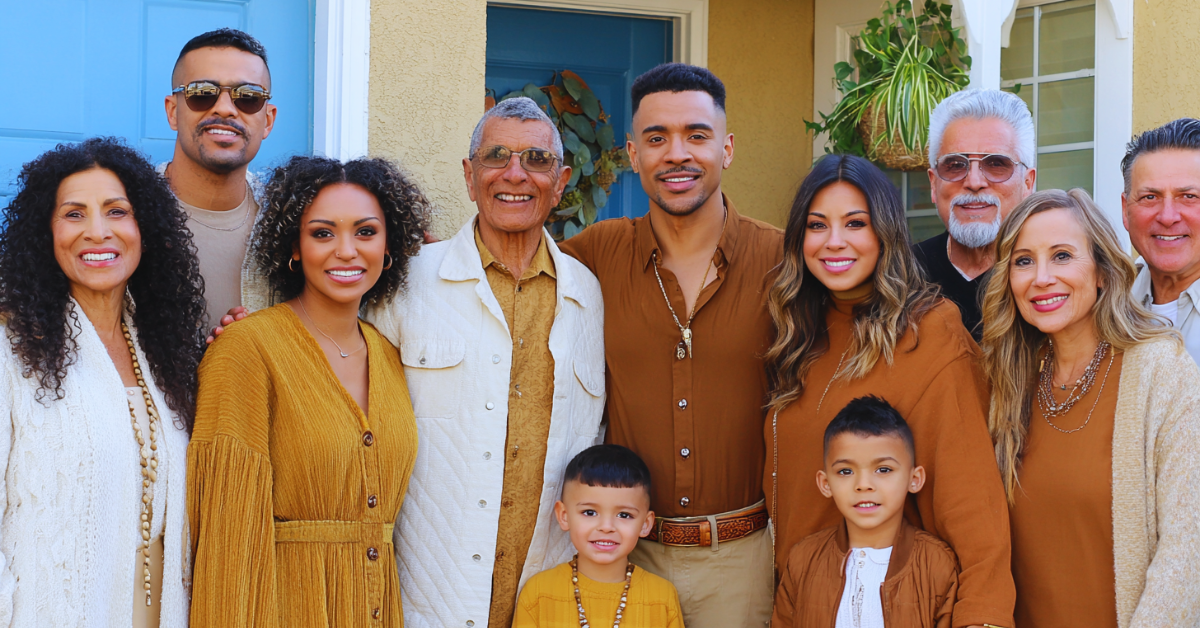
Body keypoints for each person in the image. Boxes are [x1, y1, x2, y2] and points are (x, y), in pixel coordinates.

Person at [365, 97, 605, 628]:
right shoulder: (406, 281)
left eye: (536, 160)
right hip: (424, 601)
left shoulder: (589, 294)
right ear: (470, 175)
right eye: (496, 156)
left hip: (548, 601)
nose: (515, 174)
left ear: (561, 180)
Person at [558, 62, 781, 628]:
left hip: (741, 559)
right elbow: (511, 272)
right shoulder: (595, 255)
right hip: (624, 557)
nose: (676, 153)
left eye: (696, 135)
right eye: (657, 138)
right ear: (633, 154)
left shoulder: (783, 261)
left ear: (726, 149)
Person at [765, 154, 1014, 628]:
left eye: (855, 223)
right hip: (804, 601)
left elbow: (974, 512)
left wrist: (984, 618)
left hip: (897, 604)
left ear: (886, 233)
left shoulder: (929, 332)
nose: (834, 241)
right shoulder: (797, 335)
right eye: (817, 225)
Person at [187, 156, 428, 626]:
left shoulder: (390, 357)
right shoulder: (246, 348)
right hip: (285, 608)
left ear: (389, 247)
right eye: (322, 233)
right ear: (293, 248)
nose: (346, 250)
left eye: (365, 232)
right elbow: (226, 538)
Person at [0, 137, 206, 626]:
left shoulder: (166, 353)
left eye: (117, 212)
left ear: (144, 228)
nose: (97, 232)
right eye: (73, 214)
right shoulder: (11, 351)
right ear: (44, 233)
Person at [981, 188, 1200, 628]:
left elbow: (1187, 550)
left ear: (1101, 270)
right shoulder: (1008, 382)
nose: (1041, 277)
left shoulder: (1161, 369)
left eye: (1062, 256)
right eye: (1023, 261)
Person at [772, 396, 958, 628]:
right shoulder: (803, 560)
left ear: (914, 479)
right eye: (845, 471)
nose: (863, 484)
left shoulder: (936, 564)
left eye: (883, 469)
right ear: (825, 483)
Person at [162, 28, 276, 327]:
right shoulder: (119, 212)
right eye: (202, 93)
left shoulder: (293, 219)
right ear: (173, 112)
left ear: (268, 120)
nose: (225, 109)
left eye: (248, 97)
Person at [514, 444, 684, 628]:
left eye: (624, 515)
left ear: (645, 524)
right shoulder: (539, 594)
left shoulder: (661, 598)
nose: (606, 527)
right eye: (589, 512)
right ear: (564, 516)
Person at [914, 89, 1037, 341]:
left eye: (996, 164)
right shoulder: (900, 275)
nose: (974, 181)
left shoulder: (1049, 278)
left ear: (1027, 184)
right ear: (933, 184)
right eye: (955, 165)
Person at [1122, 118, 1200, 364]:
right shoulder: (1107, 303)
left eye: (1189, 196)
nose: (1168, 217)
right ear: (1126, 211)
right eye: (1149, 197)